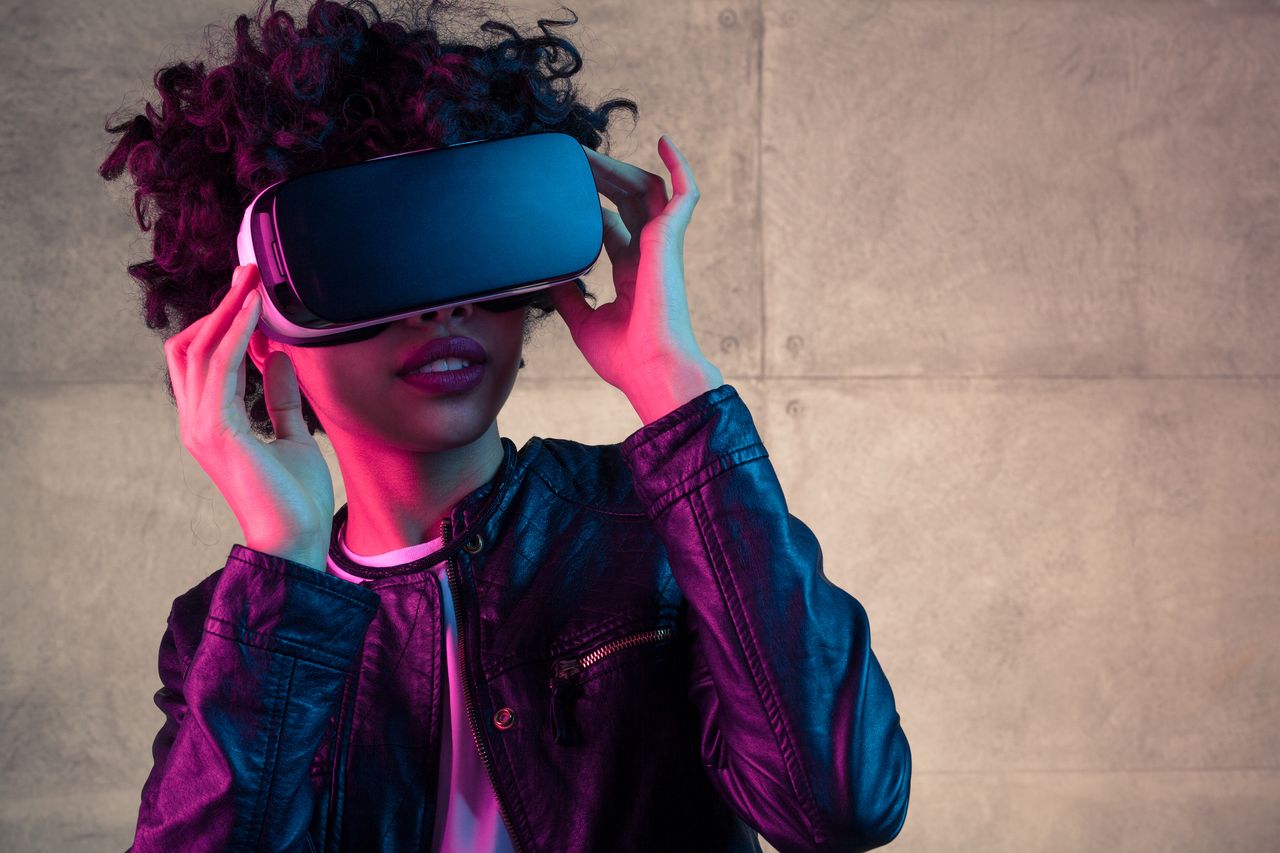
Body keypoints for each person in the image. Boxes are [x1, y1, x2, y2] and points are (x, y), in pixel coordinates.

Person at [99, 1, 912, 850]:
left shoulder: (660, 526)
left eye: (471, 247)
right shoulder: (226, 630)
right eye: (375, 261)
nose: (442, 304)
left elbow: (841, 805)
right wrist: (282, 562)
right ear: (260, 332)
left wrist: (676, 389)